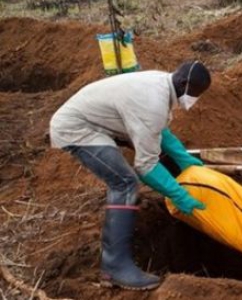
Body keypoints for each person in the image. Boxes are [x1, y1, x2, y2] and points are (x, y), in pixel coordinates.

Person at [49, 61, 212, 290]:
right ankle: (115, 267)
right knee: (124, 183)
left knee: (127, 177)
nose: (195, 100)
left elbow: (159, 130)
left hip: (96, 120)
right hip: (77, 128)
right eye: (195, 94)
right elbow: (146, 166)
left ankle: (116, 264)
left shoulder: (161, 84)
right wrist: (179, 195)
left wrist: (183, 157)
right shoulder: (153, 102)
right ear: (184, 83)